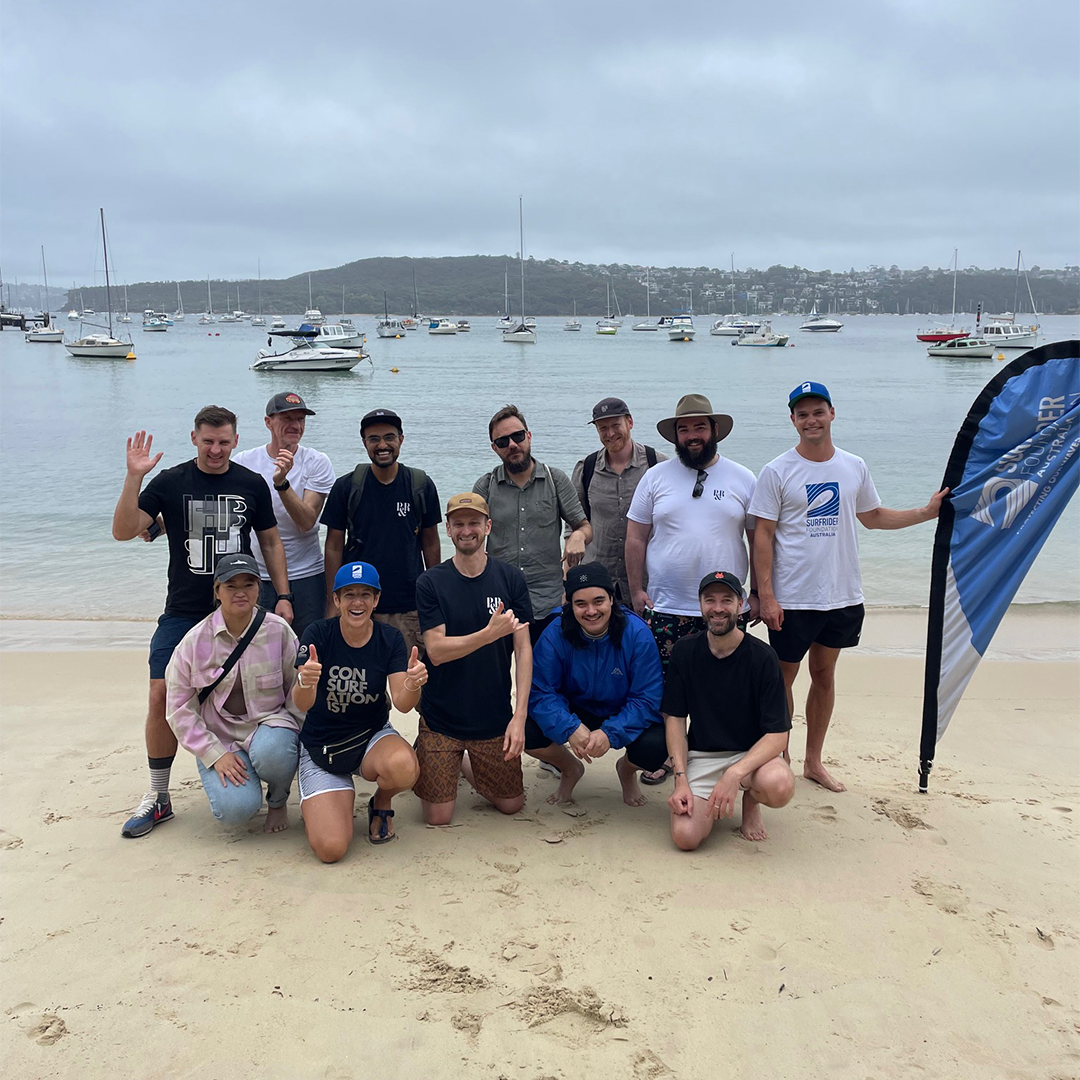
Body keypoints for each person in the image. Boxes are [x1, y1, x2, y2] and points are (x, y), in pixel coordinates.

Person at [750, 381, 947, 793]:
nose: (811, 420)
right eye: (802, 414)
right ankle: (779, 755)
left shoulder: (853, 465)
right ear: (792, 421)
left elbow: (872, 516)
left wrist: (927, 513)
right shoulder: (777, 470)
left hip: (842, 595)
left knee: (824, 674)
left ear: (832, 414)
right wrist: (765, 594)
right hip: (793, 598)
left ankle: (814, 761)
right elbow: (762, 535)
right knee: (783, 676)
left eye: (817, 412)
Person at [112, 406, 293, 839]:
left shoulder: (250, 483)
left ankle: (260, 764)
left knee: (260, 690)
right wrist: (134, 476)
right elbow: (124, 531)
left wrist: (283, 596)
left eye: (224, 442)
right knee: (160, 694)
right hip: (184, 610)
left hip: (240, 604)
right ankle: (159, 796)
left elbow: (270, 541)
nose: (216, 450)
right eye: (208, 441)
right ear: (194, 438)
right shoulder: (171, 482)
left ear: (235, 440)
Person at [625, 393, 759, 785]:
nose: (692, 435)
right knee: (670, 688)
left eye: (700, 427)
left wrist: (760, 594)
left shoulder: (743, 478)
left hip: (725, 608)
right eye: (684, 429)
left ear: (714, 431)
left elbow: (760, 540)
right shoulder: (656, 477)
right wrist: (636, 591)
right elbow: (636, 537)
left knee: (724, 686)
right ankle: (671, 755)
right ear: (675, 437)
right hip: (665, 606)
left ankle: (719, 754)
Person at [292, 562, 424, 862]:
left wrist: (415, 683)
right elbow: (302, 704)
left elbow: (402, 703)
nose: (357, 602)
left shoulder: (389, 638)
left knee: (404, 766)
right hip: (322, 746)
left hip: (370, 738)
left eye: (366, 594)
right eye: (348, 594)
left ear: (376, 600)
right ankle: (325, 802)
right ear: (336, 600)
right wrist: (305, 680)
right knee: (331, 849)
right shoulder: (318, 633)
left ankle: (381, 800)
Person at [414, 493, 533, 825]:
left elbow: (523, 649)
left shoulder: (511, 578)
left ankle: (465, 763)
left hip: (492, 717)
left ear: (488, 527)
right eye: (459, 524)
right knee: (438, 817)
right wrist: (488, 634)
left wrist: (519, 717)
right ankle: (427, 748)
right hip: (441, 718)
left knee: (511, 805)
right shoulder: (430, 582)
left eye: (474, 523)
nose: (467, 530)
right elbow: (436, 652)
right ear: (448, 530)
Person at [164, 554, 302, 834]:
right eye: (230, 585)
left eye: (248, 584)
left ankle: (277, 799)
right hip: (220, 736)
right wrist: (214, 754)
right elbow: (179, 710)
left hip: (269, 727)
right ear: (217, 591)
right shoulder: (193, 642)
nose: (240, 592)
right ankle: (243, 779)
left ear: (258, 588)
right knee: (235, 811)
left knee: (275, 751)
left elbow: (296, 693)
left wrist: (297, 737)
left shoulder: (279, 631)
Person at [663, 571, 795, 850]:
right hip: (703, 754)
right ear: (700, 605)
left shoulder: (762, 656)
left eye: (727, 600)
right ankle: (712, 793)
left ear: (741, 604)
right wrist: (680, 780)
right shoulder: (685, 652)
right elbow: (675, 719)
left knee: (779, 785)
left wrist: (734, 774)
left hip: (751, 757)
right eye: (710, 600)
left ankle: (751, 800)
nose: (718, 608)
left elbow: (778, 735)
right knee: (685, 838)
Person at [526, 562, 667, 807]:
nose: (591, 611)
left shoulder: (637, 634)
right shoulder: (554, 633)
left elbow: (647, 698)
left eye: (599, 601)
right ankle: (570, 768)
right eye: (581, 604)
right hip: (575, 708)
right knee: (525, 733)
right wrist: (569, 727)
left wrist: (609, 733)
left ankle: (626, 769)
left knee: (657, 748)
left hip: (620, 709)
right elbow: (541, 692)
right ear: (570, 605)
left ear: (612, 599)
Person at [321, 407, 441, 656]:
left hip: (408, 605)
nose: (382, 445)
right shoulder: (347, 487)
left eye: (389, 437)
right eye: (374, 439)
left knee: (409, 683)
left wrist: (434, 593)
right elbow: (333, 545)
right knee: (361, 685)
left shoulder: (420, 485)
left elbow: (430, 543)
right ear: (364, 443)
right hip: (357, 602)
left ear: (401, 439)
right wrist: (333, 600)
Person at [474, 404, 592, 643]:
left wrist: (578, 537)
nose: (512, 445)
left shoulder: (555, 479)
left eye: (517, 436)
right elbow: (469, 540)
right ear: (494, 448)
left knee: (546, 676)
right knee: (495, 678)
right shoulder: (485, 486)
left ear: (528, 436)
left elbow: (584, 526)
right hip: (499, 603)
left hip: (548, 602)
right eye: (503, 441)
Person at [232, 391, 335, 640]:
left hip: (306, 574)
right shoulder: (245, 461)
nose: (296, 425)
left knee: (306, 652)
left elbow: (306, 521)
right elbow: (214, 501)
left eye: (300, 419)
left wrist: (282, 484)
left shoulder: (316, 462)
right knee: (256, 653)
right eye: (287, 418)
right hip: (255, 575)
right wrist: (162, 523)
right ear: (268, 422)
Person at [570, 396, 667, 604]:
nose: (610, 434)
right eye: (603, 428)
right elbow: (574, 525)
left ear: (629, 422)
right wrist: (568, 584)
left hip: (647, 584)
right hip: (597, 583)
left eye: (616, 425)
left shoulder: (657, 465)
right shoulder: (585, 469)